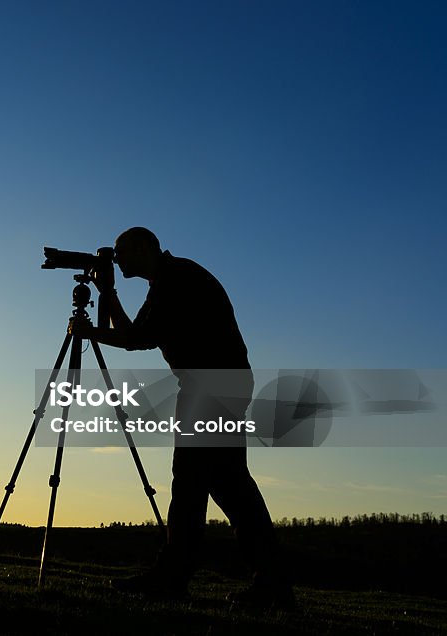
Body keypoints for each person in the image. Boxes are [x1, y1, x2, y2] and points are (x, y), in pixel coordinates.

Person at [69, 227, 293, 607]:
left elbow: (136, 338)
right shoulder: (173, 278)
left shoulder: (175, 280)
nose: (118, 260)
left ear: (144, 248)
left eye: (122, 253)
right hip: (222, 384)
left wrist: (93, 321)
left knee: (191, 484)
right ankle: (270, 584)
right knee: (231, 488)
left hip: (210, 386)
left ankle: (173, 578)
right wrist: (107, 295)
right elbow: (136, 334)